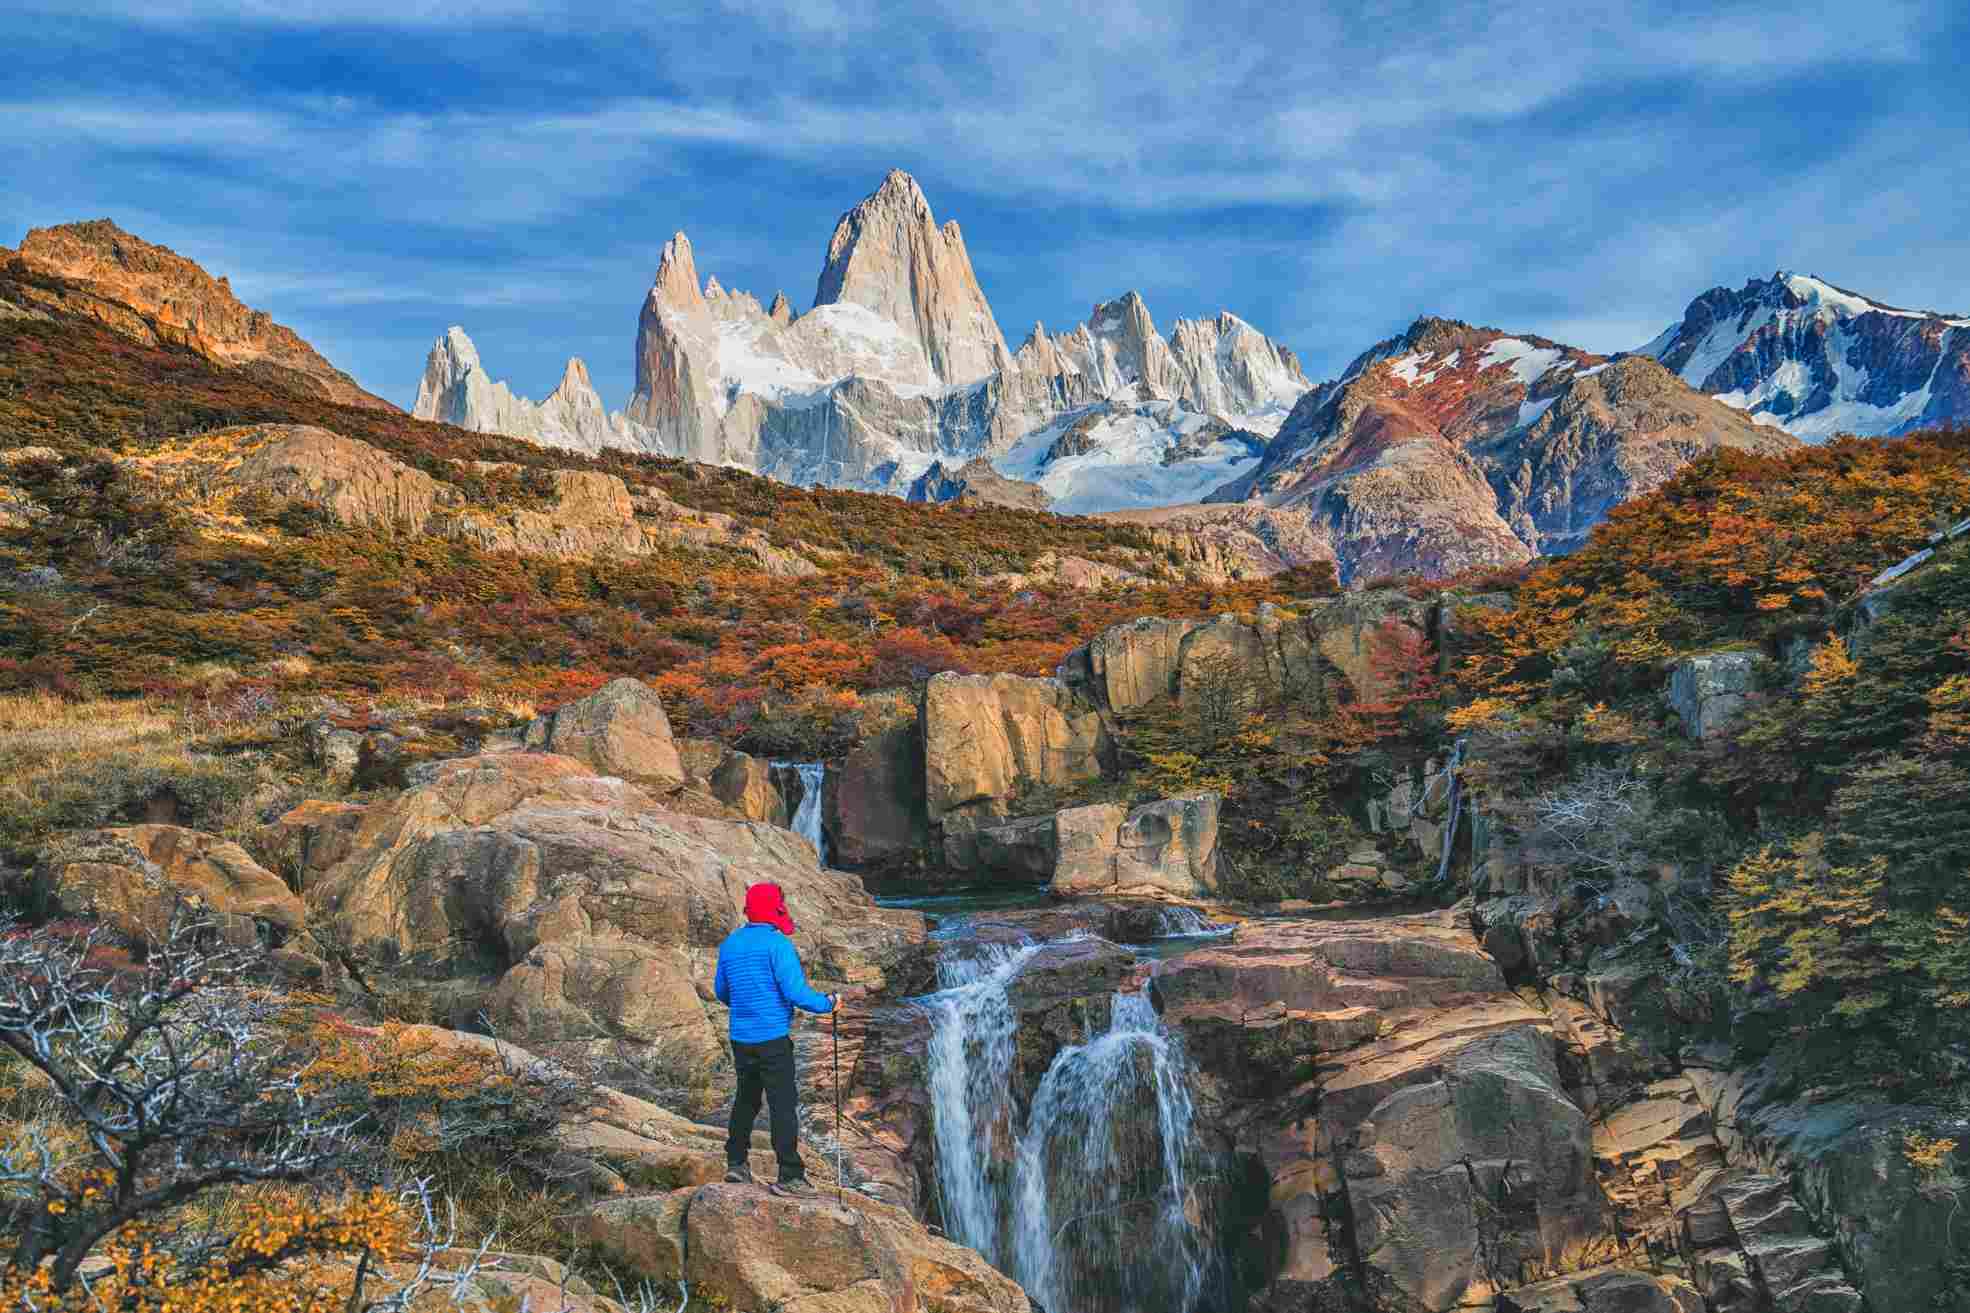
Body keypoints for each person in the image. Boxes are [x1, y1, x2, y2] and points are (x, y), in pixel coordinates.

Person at [713, 881, 836, 1197]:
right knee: (782, 1104)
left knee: (746, 1099)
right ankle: (790, 1176)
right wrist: (829, 1003)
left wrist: (747, 1005)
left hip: (741, 1038)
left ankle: (736, 1163)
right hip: (773, 1039)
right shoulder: (778, 945)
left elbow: (722, 992)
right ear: (775, 908)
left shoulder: (730, 944)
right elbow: (796, 994)